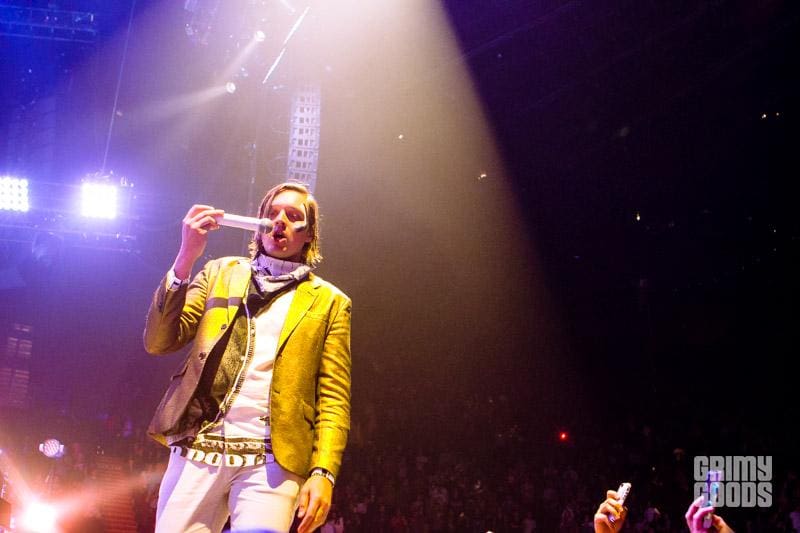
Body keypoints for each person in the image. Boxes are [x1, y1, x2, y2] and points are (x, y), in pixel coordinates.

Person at [143, 182, 352, 533]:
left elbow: (334, 399)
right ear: (258, 223)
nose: (280, 220)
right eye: (272, 213)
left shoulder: (330, 302)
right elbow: (159, 341)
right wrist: (186, 257)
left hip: (272, 461)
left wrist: (324, 472)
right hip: (199, 445)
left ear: (309, 234)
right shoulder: (220, 273)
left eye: (293, 216)